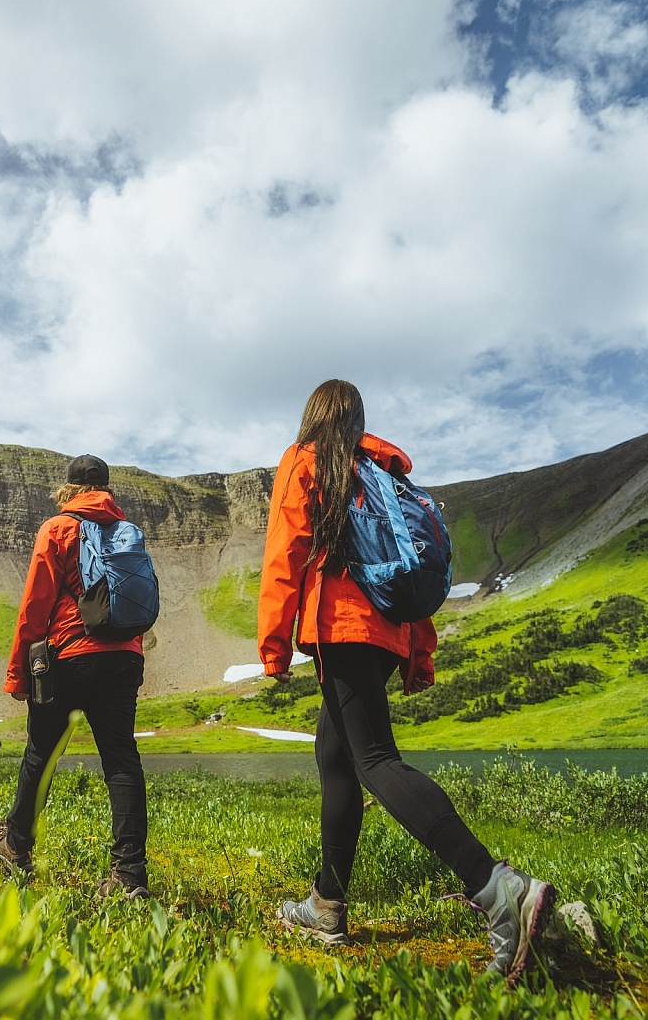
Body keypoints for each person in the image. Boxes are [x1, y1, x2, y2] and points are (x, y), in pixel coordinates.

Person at [257, 379, 556, 986]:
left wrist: (273, 645)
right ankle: (326, 905)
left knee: (374, 760)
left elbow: (285, 551)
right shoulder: (386, 476)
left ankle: (498, 889)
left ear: (312, 415)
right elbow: (417, 567)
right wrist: (419, 654)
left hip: (341, 626)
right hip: (386, 634)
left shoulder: (306, 461)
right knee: (337, 758)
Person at [0, 454, 150, 899]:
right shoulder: (127, 531)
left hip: (70, 654)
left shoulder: (57, 529)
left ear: (69, 489)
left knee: (42, 752)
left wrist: (19, 675)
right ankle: (129, 875)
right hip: (125, 657)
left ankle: (16, 846)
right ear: (107, 489)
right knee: (121, 760)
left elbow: (34, 608)